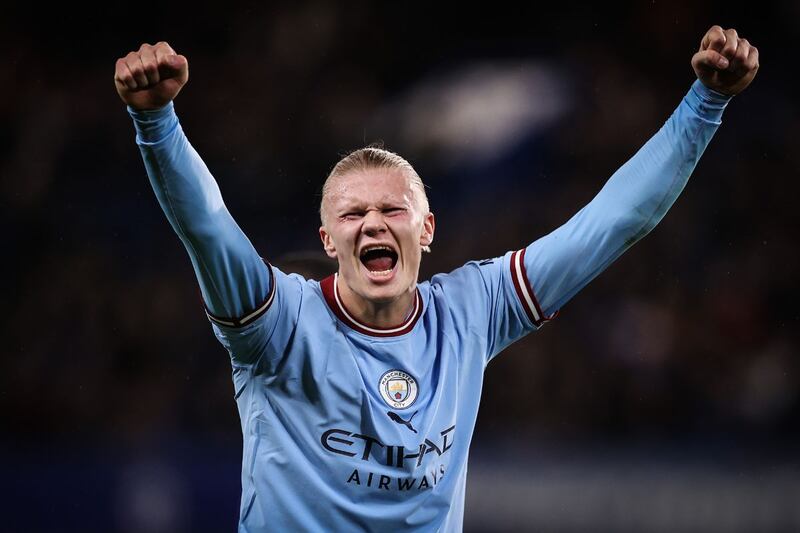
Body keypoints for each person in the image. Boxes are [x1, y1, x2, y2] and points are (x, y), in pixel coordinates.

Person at [114, 25, 758, 532]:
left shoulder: (471, 310)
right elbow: (207, 226)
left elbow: (612, 223)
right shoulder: (279, 327)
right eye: (353, 214)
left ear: (426, 229)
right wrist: (156, 122)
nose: (373, 223)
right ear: (328, 241)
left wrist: (705, 105)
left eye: (392, 210)